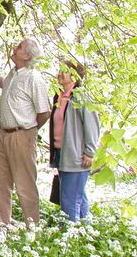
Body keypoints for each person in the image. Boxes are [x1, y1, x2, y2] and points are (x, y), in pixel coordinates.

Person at [0, 38, 50, 224]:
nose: (14, 47)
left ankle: (32, 227)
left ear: (26, 55)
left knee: (25, 184)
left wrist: (27, 132)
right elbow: (3, 83)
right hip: (3, 135)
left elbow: (44, 112)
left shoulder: (33, 78)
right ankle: (2, 224)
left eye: (19, 47)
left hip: (22, 135)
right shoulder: (13, 74)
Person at [49, 60, 99, 222]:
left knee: (69, 199)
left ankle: (68, 238)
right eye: (60, 70)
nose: (61, 74)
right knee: (78, 195)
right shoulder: (59, 96)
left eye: (66, 71)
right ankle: (87, 231)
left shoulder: (81, 96)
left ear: (75, 76)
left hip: (76, 155)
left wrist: (89, 152)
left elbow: (92, 126)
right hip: (61, 154)